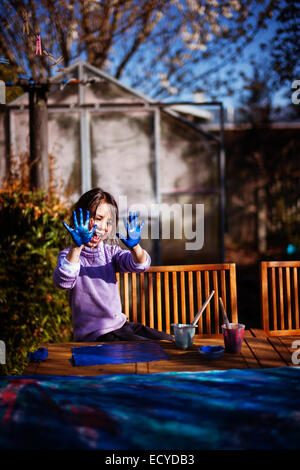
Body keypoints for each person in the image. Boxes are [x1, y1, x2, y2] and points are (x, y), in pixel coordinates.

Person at [53, 187, 173, 343]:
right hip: (97, 335)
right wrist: (77, 247)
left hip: (121, 326)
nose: (103, 227)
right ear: (80, 217)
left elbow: (141, 265)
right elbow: (63, 281)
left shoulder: (111, 253)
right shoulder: (70, 256)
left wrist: (135, 247)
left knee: (170, 341)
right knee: (152, 347)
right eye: (98, 218)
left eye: (108, 222)